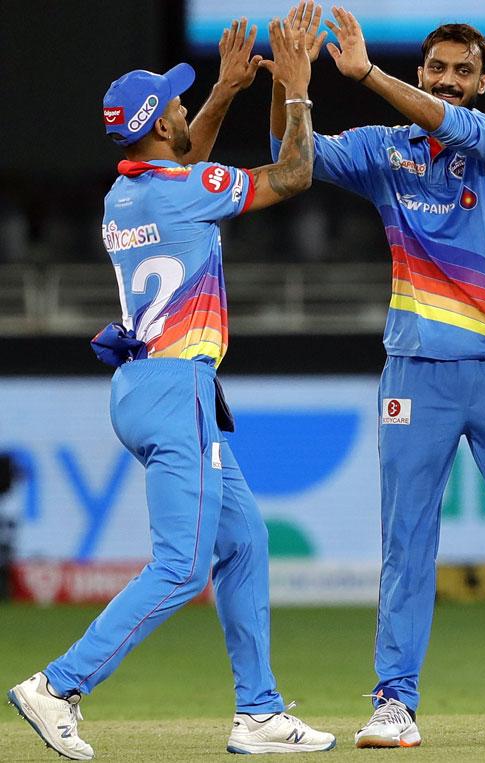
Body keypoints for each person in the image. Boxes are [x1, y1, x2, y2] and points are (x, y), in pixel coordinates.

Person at [271, 4, 485, 745]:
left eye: (462, 72)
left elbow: (451, 126)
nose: (448, 81)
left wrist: (363, 73)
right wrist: (291, 89)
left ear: (483, 83)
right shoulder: (385, 150)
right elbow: (292, 159)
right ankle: (395, 702)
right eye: (438, 69)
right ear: (424, 71)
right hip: (416, 372)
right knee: (407, 540)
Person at [6, 18, 335, 759]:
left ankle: (258, 712)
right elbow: (293, 174)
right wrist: (295, 89)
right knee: (182, 563)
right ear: (161, 124)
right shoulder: (181, 190)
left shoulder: (126, 196)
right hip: (177, 383)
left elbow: (184, 162)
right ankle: (58, 685)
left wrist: (220, 90)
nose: (185, 111)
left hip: (145, 384)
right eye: (175, 104)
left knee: (243, 541)